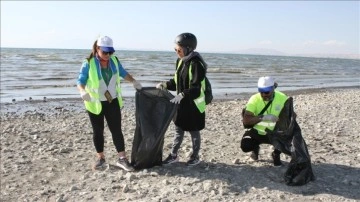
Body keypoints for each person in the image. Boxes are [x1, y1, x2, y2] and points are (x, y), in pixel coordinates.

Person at [77, 35, 142, 171]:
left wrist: (134, 81)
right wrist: (82, 92)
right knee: (98, 131)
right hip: (95, 103)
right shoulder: (88, 62)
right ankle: (100, 158)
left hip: (112, 101)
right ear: (97, 48)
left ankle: (122, 159)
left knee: (116, 130)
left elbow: (123, 73)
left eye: (110, 52)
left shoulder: (114, 61)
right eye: (105, 52)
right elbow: (81, 81)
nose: (108, 55)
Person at [156, 32, 207, 166]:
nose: (177, 52)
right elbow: (176, 81)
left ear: (188, 48)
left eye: (179, 49)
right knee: (178, 129)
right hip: (182, 103)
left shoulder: (196, 64)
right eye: (175, 49)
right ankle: (173, 155)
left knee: (193, 131)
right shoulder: (180, 61)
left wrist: (182, 95)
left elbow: (196, 88)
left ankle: (195, 157)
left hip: (194, 104)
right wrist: (165, 84)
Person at [241, 76, 287, 166]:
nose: (263, 95)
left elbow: (291, 116)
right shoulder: (254, 99)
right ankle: (255, 149)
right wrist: (263, 117)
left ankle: (276, 154)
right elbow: (246, 120)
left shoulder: (282, 98)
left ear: (273, 89)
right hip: (257, 132)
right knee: (246, 145)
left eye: (266, 92)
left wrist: (282, 120)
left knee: (289, 139)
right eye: (261, 92)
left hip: (275, 133)